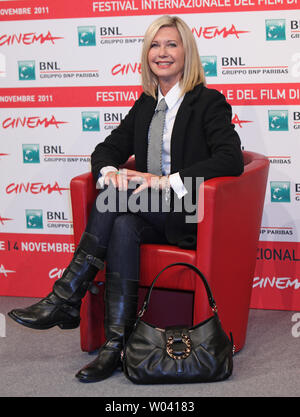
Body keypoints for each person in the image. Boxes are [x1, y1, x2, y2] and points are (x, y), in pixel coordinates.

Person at [8, 15, 244, 383]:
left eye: (171, 44)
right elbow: (107, 149)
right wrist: (109, 172)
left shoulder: (208, 102)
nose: (161, 53)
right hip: (146, 212)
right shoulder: (146, 104)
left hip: (189, 212)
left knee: (115, 200)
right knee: (121, 218)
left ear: (187, 52)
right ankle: (116, 346)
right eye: (154, 45)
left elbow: (230, 158)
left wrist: (167, 182)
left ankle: (66, 297)